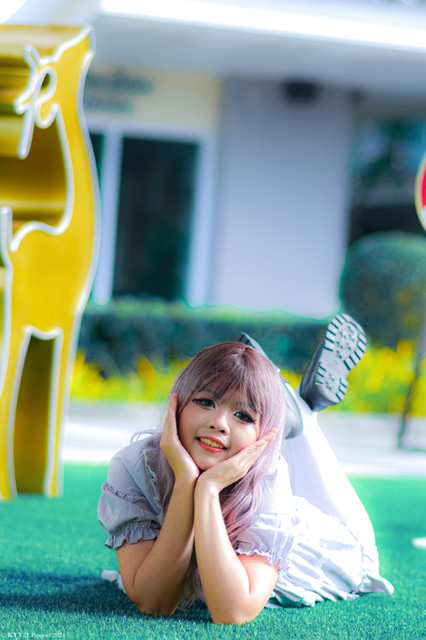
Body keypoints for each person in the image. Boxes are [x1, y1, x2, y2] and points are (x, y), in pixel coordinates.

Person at [98, 315, 393, 625]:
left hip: (326, 542)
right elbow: (155, 601)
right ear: (176, 403)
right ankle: (287, 404)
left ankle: (300, 415)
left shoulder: (270, 479)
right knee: (264, 435)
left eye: (243, 415)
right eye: (205, 401)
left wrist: (208, 489)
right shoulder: (133, 467)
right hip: (254, 466)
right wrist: (186, 481)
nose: (219, 423)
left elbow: (233, 612)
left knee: (363, 548)